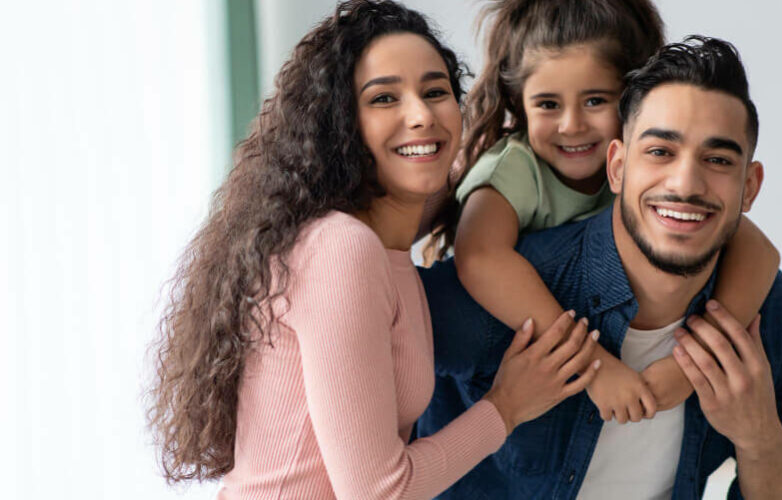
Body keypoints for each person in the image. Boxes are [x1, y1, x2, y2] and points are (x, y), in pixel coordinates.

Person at [146, 1, 601, 498]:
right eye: (385, 99)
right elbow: (379, 492)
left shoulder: (383, 233)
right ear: (342, 123)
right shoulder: (342, 250)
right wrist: (507, 406)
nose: (421, 114)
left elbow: (451, 182)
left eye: (435, 92)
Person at [418, 37, 782, 499]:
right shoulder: (514, 292)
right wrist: (503, 408)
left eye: (717, 160)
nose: (686, 184)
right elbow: (359, 341)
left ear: (750, 187)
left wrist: (760, 439)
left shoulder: (770, 313)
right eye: (660, 152)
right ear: (617, 167)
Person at [423, 0, 781, 424]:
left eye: (594, 100)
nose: (571, 125)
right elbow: (480, 258)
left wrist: (690, 367)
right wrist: (593, 366)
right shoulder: (514, 169)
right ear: (520, 105)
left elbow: (760, 251)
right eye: (548, 105)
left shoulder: (644, 173)